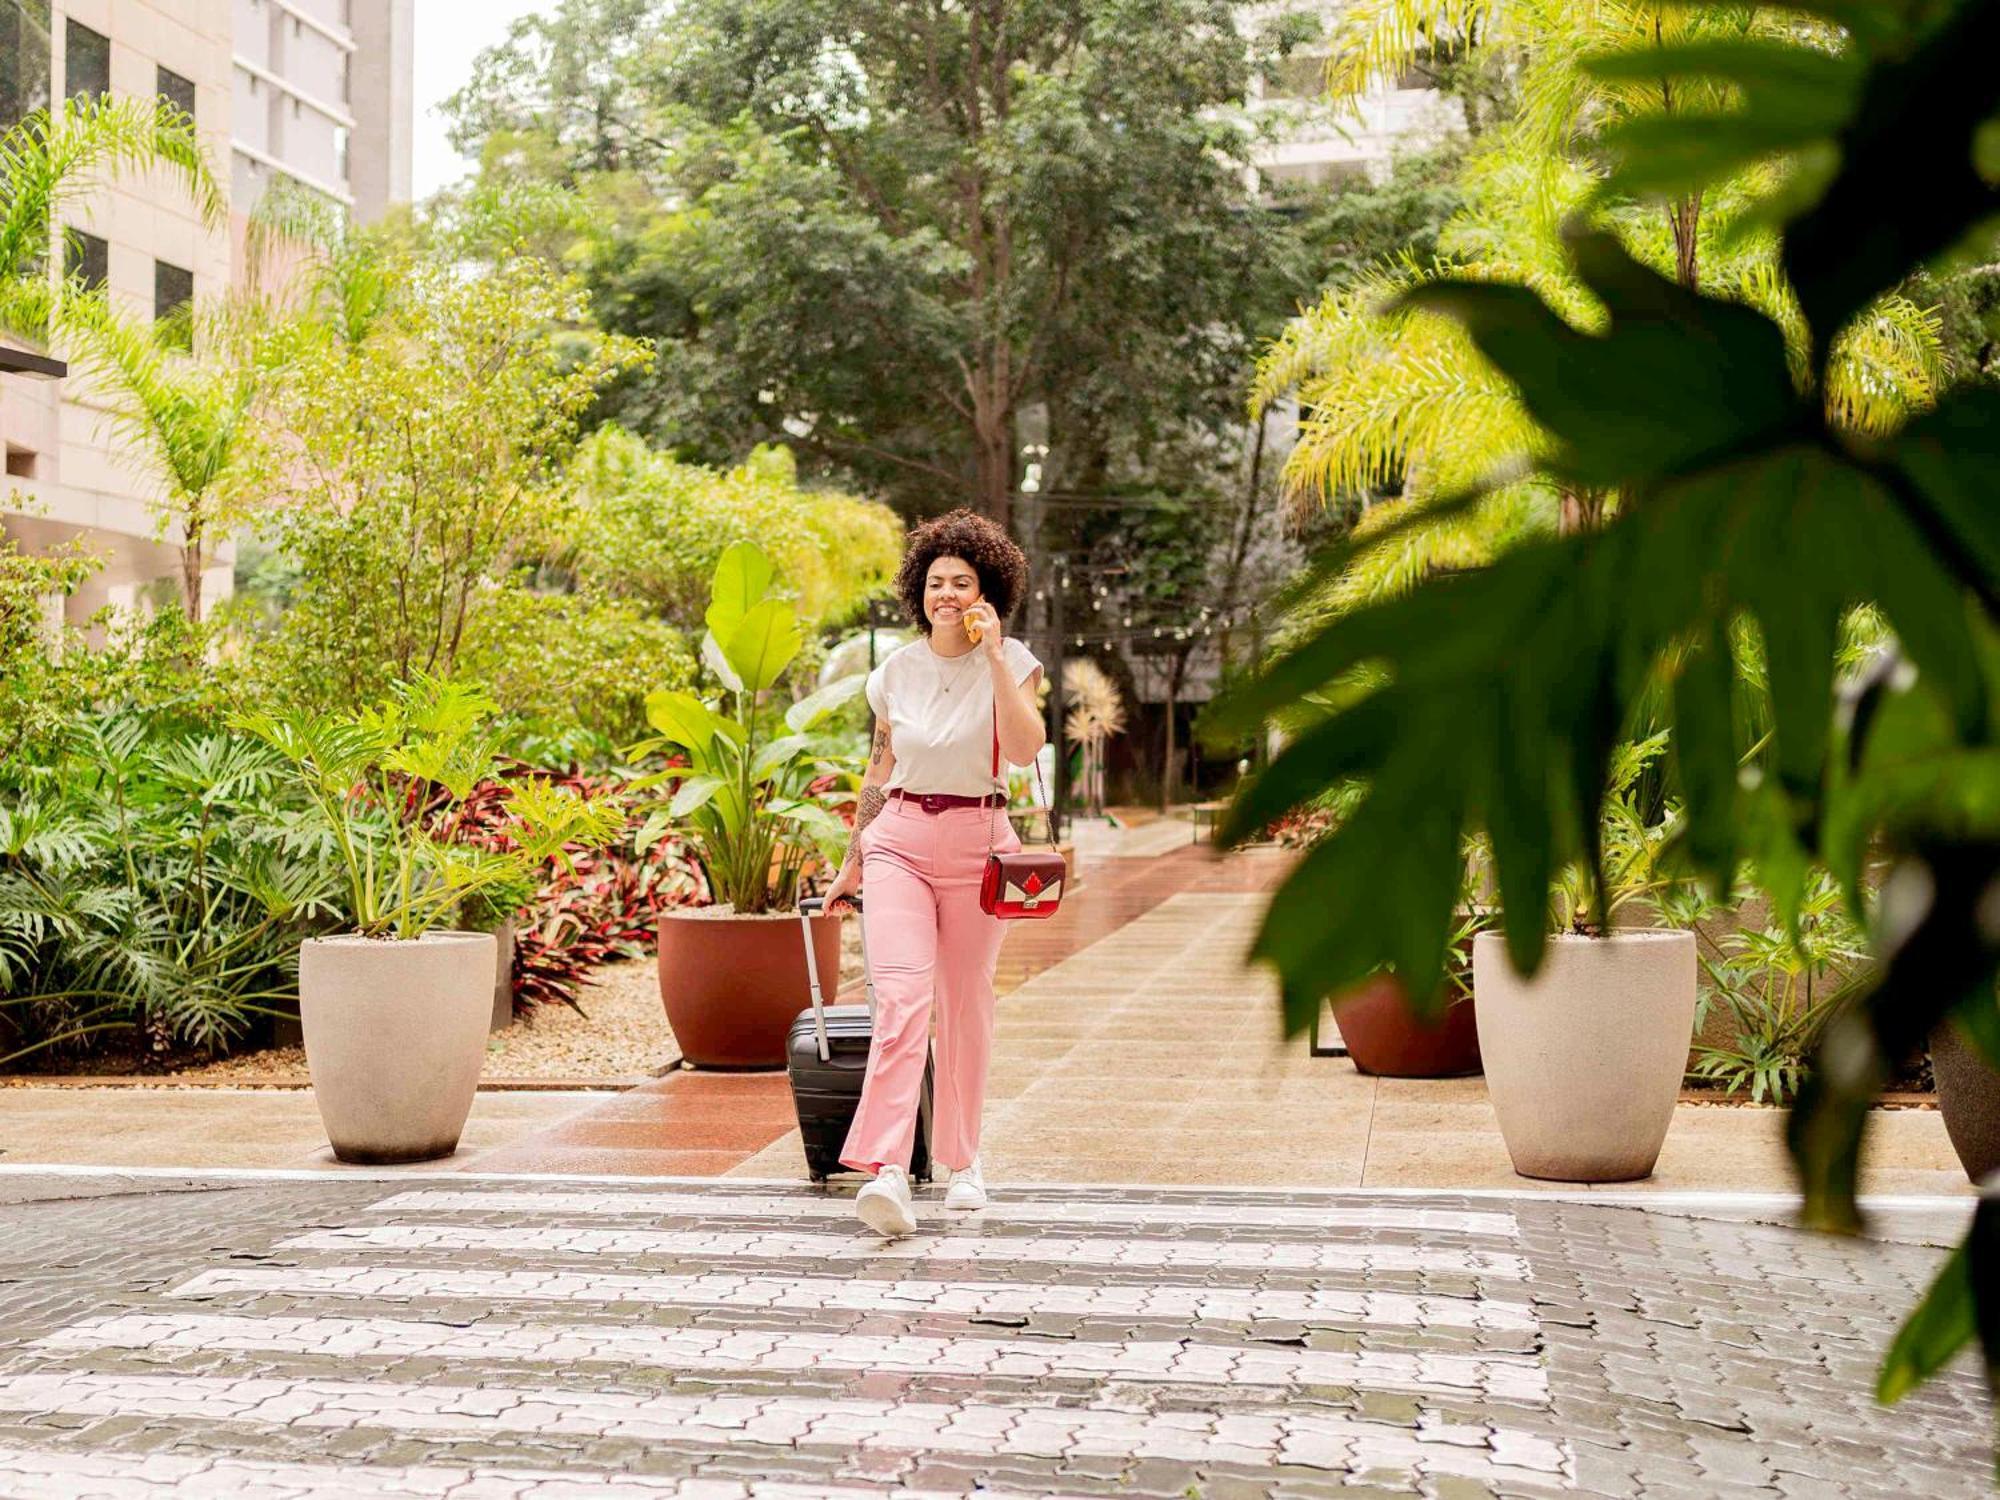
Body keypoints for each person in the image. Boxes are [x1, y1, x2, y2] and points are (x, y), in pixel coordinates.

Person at [819, 509, 1045, 1238]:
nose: (947, 593)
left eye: (964, 582)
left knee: (967, 1003)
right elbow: (879, 770)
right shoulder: (895, 673)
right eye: (937, 582)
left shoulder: (1013, 663)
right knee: (903, 998)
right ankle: (887, 1168)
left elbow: (1022, 747)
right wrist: (853, 858)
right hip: (902, 842)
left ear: (988, 591)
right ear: (919, 589)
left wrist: (993, 658)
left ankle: (963, 1161)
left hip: (981, 840)